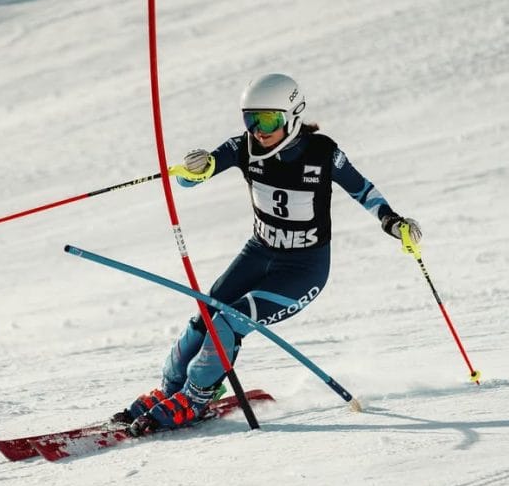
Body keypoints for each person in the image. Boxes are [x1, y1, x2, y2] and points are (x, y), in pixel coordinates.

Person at [114, 73, 421, 436]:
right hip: (259, 253)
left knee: (228, 322)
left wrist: (392, 221)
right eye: (251, 119)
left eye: (269, 119)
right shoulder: (243, 147)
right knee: (206, 314)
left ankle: (196, 399)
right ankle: (171, 392)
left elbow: (362, 188)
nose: (258, 129)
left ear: (292, 116)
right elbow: (192, 176)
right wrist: (194, 170)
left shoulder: (321, 152)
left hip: (302, 270)